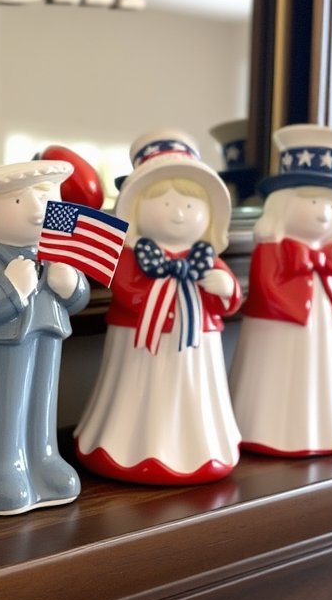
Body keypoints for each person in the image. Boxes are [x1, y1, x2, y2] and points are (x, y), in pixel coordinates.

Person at [75, 128, 242, 484]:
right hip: (138, 345)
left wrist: (224, 287)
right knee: (139, 396)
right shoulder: (131, 257)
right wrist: (154, 291)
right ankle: (128, 448)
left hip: (197, 346)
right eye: (165, 203)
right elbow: (126, 290)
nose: (178, 214)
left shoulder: (206, 258)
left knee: (195, 397)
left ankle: (200, 449)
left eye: (189, 203)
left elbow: (229, 302)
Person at [0, 159, 89, 515]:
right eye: (19, 201)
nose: (37, 211)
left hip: (48, 335)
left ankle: (42, 458)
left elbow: (78, 296)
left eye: (44, 198)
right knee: (1, 408)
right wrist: (11, 287)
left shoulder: (54, 254)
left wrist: (69, 284)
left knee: (41, 403)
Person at [231, 125, 332, 457]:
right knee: (275, 373)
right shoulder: (272, 249)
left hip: (321, 331)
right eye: (314, 201)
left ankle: (324, 429)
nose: (324, 213)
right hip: (276, 329)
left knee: (322, 371)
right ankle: (262, 429)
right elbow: (268, 287)